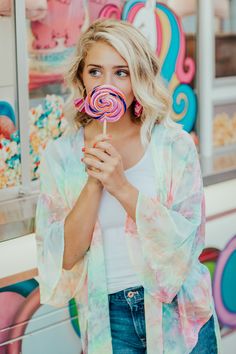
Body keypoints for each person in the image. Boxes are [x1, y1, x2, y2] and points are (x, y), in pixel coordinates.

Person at [35, 18, 221, 354]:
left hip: (179, 309)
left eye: (121, 72)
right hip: (110, 316)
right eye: (95, 72)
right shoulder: (60, 156)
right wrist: (94, 182)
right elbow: (64, 256)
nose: (108, 83)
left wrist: (120, 185)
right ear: (81, 78)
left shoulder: (173, 145)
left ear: (138, 77)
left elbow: (187, 243)